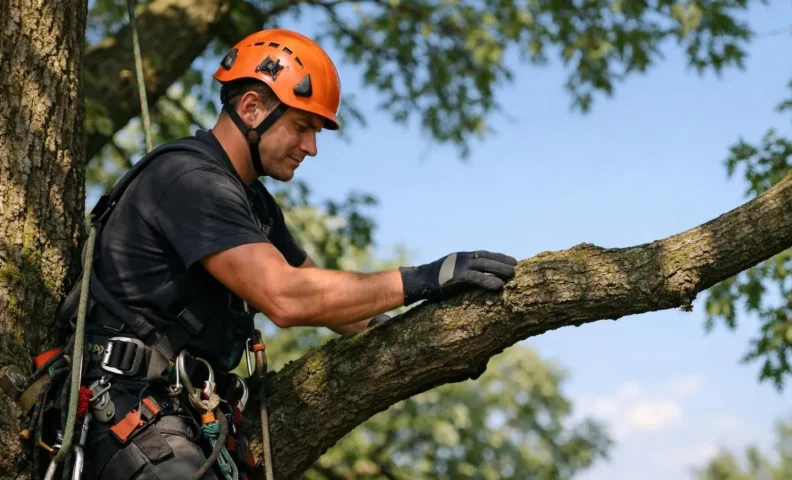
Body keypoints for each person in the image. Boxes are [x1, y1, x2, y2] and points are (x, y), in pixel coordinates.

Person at [71, 28, 516, 479]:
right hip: (125, 407)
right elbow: (286, 297)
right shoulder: (190, 180)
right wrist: (423, 277)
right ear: (251, 108)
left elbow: (329, 302)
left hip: (181, 417)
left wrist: (428, 336)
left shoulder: (254, 203)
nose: (312, 147)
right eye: (302, 126)